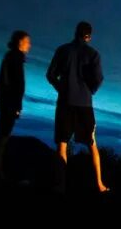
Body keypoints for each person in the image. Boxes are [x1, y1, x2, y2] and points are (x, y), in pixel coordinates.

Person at [46, 21, 109, 192]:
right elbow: (98, 79)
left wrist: (61, 87)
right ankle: (99, 184)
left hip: (65, 102)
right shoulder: (93, 54)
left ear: (75, 33)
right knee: (92, 144)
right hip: (84, 104)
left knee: (62, 144)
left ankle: (61, 185)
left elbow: (51, 74)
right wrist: (89, 90)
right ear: (89, 36)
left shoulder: (62, 50)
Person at [0, 30, 30, 181]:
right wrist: (14, 106)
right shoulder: (14, 58)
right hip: (8, 104)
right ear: (20, 42)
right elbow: (13, 84)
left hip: (7, 103)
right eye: (27, 41)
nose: (29, 45)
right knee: (3, 137)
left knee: (4, 136)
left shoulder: (13, 57)